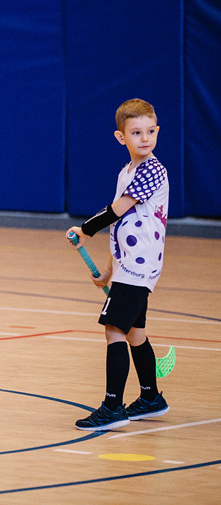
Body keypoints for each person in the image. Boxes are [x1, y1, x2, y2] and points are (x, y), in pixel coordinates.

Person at [67, 98, 170, 431]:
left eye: (150, 131)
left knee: (113, 330)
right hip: (130, 266)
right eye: (136, 132)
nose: (144, 138)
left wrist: (85, 229)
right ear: (120, 137)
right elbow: (120, 226)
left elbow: (118, 210)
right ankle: (151, 397)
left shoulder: (152, 169)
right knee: (134, 333)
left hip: (142, 266)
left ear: (156, 131)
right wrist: (111, 268)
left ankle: (113, 406)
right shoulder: (126, 172)